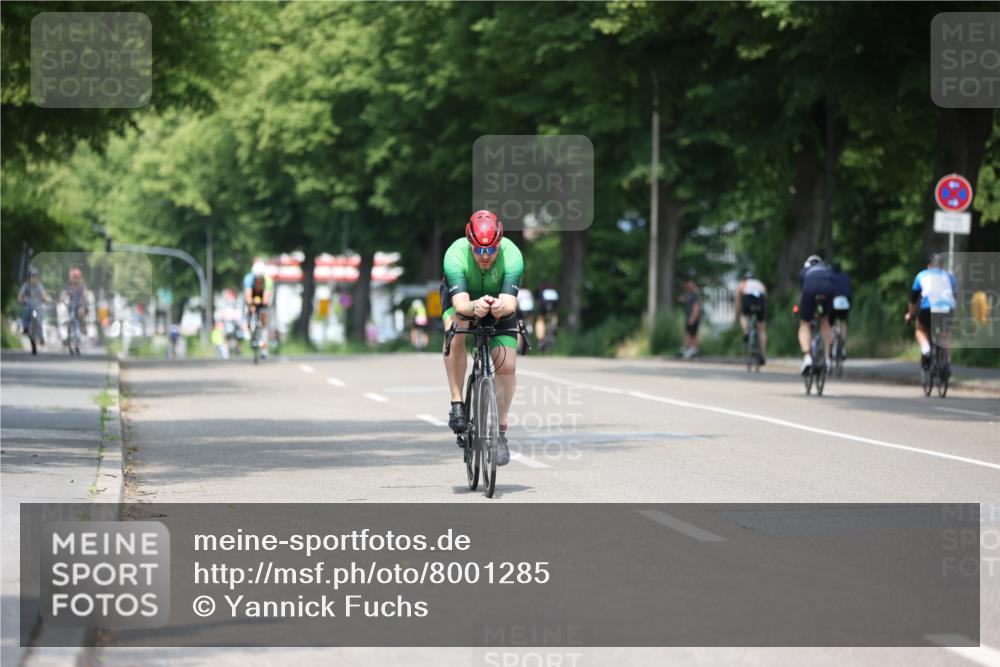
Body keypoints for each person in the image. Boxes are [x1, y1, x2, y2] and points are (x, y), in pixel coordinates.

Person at [442, 210, 524, 467]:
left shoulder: (513, 255)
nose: (485, 257)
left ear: (499, 244)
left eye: (491, 251)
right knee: (455, 330)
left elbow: (510, 304)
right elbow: (461, 304)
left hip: (499, 306)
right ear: (470, 245)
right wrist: (476, 305)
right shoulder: (454, 255)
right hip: (464, 302)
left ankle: (500, 431)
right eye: (478, 251)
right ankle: (457, 402)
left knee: (507, 365)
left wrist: (499, 307)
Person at [905, 253, 957, 369]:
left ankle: (926, 349)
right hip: (948, 308)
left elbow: (913, 298)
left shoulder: (921, 275)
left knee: (920, 329)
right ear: (942, 266)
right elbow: (954, 296)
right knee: (945, 334)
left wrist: (910, 315)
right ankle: (947, 362)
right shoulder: (950, 277)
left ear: (929, 266)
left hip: (929, 308)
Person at [797, 255, 835, 375]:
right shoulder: (827, 270)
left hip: (810, 288)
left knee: (805, 324)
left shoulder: (804, 271)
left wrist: (803, 312)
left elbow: (803, 294)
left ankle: (807, 358)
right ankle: (827, 359)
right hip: (828, 288)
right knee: (825, 321)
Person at [733, 270, 767, 364]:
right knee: (762, 329)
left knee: (744, 315)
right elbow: (765, 297)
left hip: (748, 299)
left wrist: (736, 315)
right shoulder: (759, 283)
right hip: (760, 300)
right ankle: (762, 354)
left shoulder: (743, 284)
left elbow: (738, 301)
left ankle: (746, 331)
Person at [243, 260, 274, 358]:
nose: (259, 280)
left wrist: (265, 303)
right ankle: (249, 325)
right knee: (250, 308)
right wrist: (251, 304)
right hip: (252, 295)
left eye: (260, 278)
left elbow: (266, 298)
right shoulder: (248, 279)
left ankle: (264, 348)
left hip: (262, 295)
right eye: (257, 278)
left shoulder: (268, 280)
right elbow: (248, 296)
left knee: (264, 318)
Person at [18, 268, 51, 346]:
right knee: (26, 308)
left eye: (35, 276)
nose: (34, 278)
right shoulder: (26, 285)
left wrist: (46, 299)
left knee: (38, 320)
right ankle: (25, 328)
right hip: (29, 305)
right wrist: (21, 300)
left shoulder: (39, 286)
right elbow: (20, 295)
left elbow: (44, 294)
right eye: (32, 276)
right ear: (29, 277)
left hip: (37, 306)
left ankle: (41, 337)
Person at [830, 262, 852, 359]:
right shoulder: (845, 277)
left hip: (834, 302)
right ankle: (842, 344)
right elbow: (850, 293)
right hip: (845, 302)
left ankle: (832, 341)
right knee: (843, 321)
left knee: (830, 322)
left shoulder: (830, 277)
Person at [63, 266, 89, 346]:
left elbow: (85, 294)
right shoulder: (69, 286)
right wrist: (64, 299)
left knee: (81, 312)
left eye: (76, 277)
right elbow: (65, 295)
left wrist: (85, 301)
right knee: (70, 320)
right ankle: (68, 336)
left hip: (81, 305)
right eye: (73, 277)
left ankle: (83, 325)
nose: (75, 279)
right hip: (71, 306)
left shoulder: (82, 286)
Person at [677, 279, 701, 359]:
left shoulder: (694, 295)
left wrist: (692, 318)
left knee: (693, 334)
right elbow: (683, 299)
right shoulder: (689, 295)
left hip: (693, 318)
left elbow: (696, 307)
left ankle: (694, 350)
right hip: (689, 318)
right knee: (688, 333)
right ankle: (688, 349)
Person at [535, 281, 559, 349]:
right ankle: (554, 324)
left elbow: (537, 300)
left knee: (540, 320)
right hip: (554, 301)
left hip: (543, 303)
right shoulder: (553, 288)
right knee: (554, 314)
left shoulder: (539, 288)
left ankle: (540, 339)